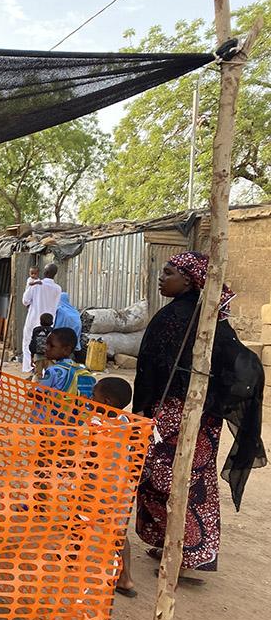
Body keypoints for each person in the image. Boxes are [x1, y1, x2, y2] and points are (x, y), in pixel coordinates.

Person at [133, 251, 265, 577]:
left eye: (168, 273)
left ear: (190, 279)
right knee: (188, 480)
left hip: (176, 414)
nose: (162, 278)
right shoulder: (205, 318)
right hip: (197, 415)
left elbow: (152, 369)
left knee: (168, 479)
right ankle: (177, 546)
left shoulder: (189, 318)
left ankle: (183, 555)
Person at [91, 377, 136, 598]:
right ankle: (125, 578)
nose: (90, 400)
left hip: (100, 486)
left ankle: (73, 566)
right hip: (122, 487)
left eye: (94, 397)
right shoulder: (128, 422)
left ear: (105, 401)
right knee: (119, 531)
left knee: (80, 522)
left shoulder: (96, 424)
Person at [22, 264, 62, 374]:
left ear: (44, 272)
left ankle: (30, 368)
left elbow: (25, 301)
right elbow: (57, 305)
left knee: (28, 344)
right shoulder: (58, 289)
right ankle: (45, 372)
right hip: (49, 323)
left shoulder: (36, 285)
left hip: (33, 320)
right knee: (47, 346)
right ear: (55, 274)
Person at [37, 327, 94, 398]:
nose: (46, 348)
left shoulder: (52, 371)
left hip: (51, 408)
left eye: (51, 346)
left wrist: (30, 392)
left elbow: (39, 393)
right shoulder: (79, 368)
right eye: (46, 344)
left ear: (66, 350)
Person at [29, 313, 54, 380]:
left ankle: (35, 389)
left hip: (38, 357)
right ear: (52, 322)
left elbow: (33, 345)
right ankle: (47, 389)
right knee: (50, 375)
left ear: (40, 321)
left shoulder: (36, 330)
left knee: (37, 374)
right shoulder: (54, 331)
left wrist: (32, 358)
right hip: (50, 357)